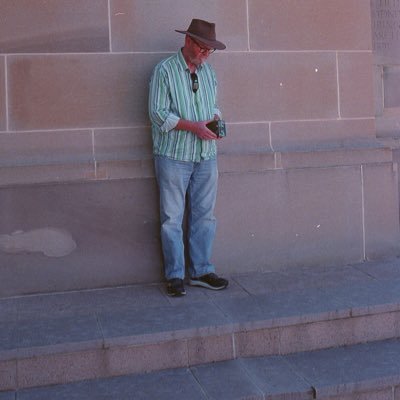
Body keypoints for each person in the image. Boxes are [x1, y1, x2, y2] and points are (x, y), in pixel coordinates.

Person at [148, 19, 229, 297]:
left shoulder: (209, 72)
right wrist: (193, 126)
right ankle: (175, 275)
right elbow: (158, 114)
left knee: (205, 216)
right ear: (188, 42)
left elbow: (214, 107)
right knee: (172, 217)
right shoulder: (165, 70)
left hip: (206, 155)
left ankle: (202, 271)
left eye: (210, 50)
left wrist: (217, 123)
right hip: (174, 156)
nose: (206, 54)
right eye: (203, 48)